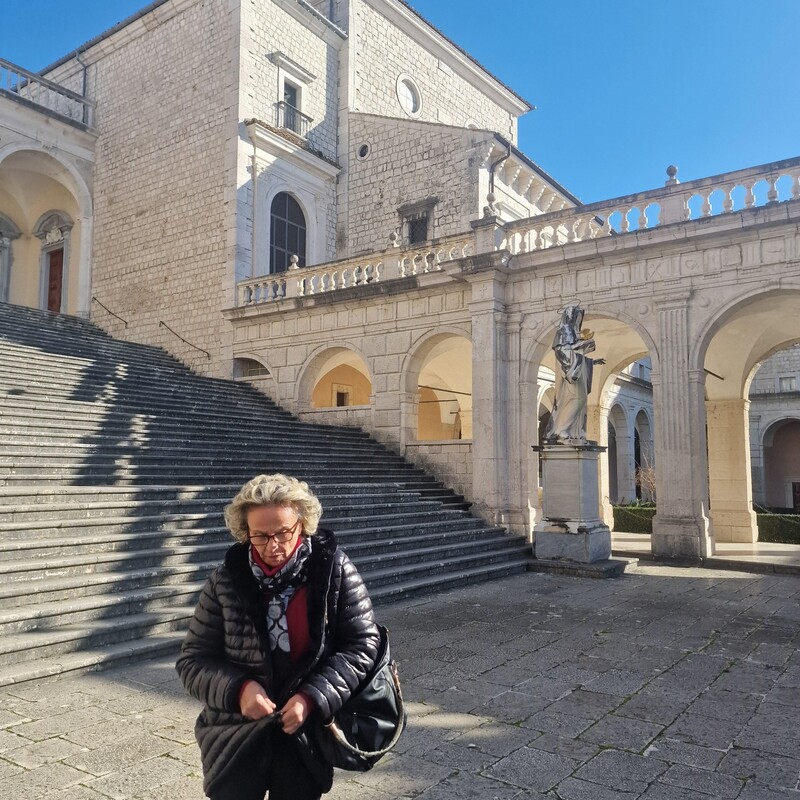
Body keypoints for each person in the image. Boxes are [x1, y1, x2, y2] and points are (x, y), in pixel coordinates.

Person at [176, 473, 380, 800]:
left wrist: (313, 697)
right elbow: (192, 661)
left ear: (302, 525)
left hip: (305, 737)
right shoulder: (226, 579)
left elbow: (362, 645)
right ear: (246, 533)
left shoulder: (333, 569)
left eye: (284, 533)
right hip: (234, 739)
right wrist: (238, 689)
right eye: (260, 536)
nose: (273, 546)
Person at [544, 304, 604, 442]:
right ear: (570, 318)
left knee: (581, 402)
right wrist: (579, 346)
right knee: (576, 400)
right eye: (576, 318)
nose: (578, 321)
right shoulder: (562, 333)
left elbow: (576, 353)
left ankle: (572, 431)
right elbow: (562, 352)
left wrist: (591, 362)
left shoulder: (574, 335)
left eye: (580, 318)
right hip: (570, 373)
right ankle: (561, 430)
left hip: (578, 371)